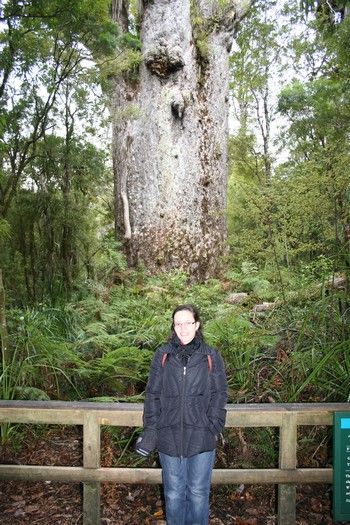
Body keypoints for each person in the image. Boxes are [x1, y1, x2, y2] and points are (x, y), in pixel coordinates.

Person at [135, 304, 228, 525]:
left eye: (188, 322)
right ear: (173, 326)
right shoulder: (163, 355)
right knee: (174, 495)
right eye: (178, 323)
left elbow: (220, 392)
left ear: (197, 324)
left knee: (197, 493)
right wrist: (151, 429)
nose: (183, 328)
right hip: (169, 435)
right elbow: (152, 394)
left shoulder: (211, 356)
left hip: (202, 435)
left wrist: (213, 424)